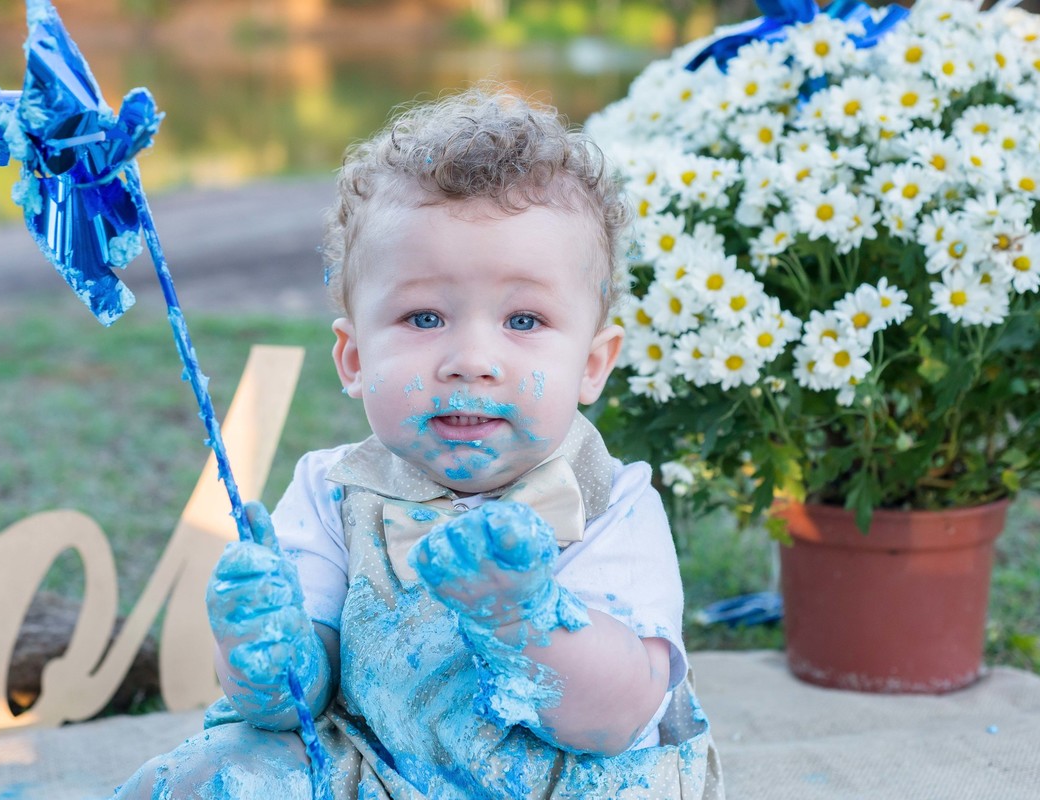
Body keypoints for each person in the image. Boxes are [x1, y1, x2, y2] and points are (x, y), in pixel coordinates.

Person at [115, 84, 723, 799]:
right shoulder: (332, 490)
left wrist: (523, 618)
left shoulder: (609, 502)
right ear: (354, 359)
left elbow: (615, 718)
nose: (470, 357)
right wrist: (263, 652)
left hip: (568, 783)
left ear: (591, 364)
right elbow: (295, 704)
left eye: (523, 321)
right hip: (377, 771)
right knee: (212, 777)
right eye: (424, 318)